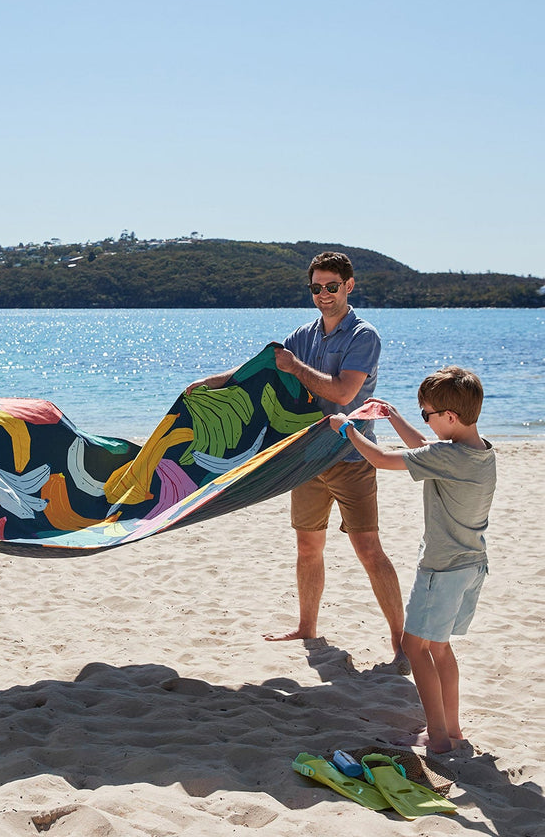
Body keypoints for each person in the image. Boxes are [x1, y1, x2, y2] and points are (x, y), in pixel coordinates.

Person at [189, 251, 406, 667]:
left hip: (352, 456)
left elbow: (342, 392)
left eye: (332, 286)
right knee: (307, 547)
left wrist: (295, 368)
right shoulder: (303, 335)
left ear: (349, 286)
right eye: (316, 287)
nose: (324, 294)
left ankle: (400, 642)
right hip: (306, 458)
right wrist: (211, 383)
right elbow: (262, 371)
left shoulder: (364, 335)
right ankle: (308, 627)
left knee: (368, 550)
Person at [330, 366, 496, 753]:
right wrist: (393, 416)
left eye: (427, 414)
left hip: (442, 568)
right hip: (471, 565)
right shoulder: (480, 451)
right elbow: (426, 447)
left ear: (449, 417)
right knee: (439, 647)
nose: (425, 421)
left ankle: (437, 738)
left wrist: (346, 429)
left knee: (414, 646)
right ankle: (452, 731)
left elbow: (381, 459)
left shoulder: (446, 456)